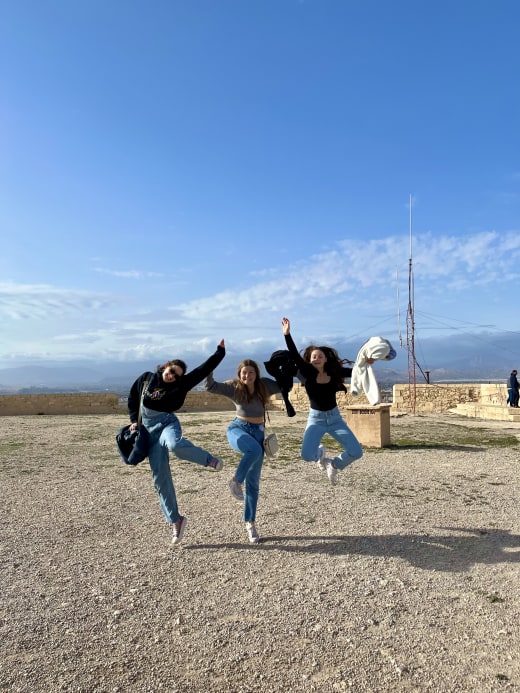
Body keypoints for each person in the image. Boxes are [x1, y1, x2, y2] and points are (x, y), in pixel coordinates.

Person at [127, 340, 226, 545]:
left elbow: (202, 370)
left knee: (174, 445)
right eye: (172, 370)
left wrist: (219, 352)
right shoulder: (147, 379)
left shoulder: (181, 385)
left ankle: (208, 460)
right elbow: (133, 396)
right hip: (148, 432)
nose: (172, 376)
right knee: (160, 479)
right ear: (165, 365)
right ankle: (176, 520)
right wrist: (133, 422)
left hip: (166, 425)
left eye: (177, 375)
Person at [204, 359, 280, 544]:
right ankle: (236, 481)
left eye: (251, 372)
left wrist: (283, 365)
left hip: (259, 432)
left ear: (256, 374)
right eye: (244, 373)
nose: (247, 376)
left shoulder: (265, 386)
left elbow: (284, 385)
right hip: (238, 429)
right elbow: (211, 386)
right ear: (239, 374)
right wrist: (210, 367)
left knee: (253, 484)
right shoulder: (234, 387)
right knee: (253, 450)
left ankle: (250, 523)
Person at [281, 317, 363, 485]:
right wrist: (287, 335)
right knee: (306, 455)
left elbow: (358, 371)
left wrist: (368, 361)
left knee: (356, 451)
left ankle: (334, 464)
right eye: (313, 356)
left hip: (335, 419)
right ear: (310, 360)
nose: (316, 358)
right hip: (316, 419)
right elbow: (295, 355)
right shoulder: (307, 373)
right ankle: (320, 454)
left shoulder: (335, 372)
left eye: (320, 356)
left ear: (325, 359)